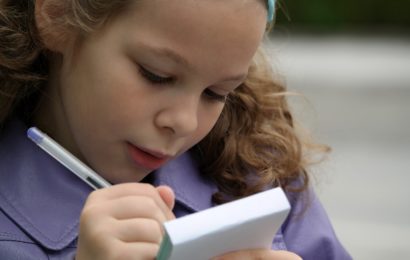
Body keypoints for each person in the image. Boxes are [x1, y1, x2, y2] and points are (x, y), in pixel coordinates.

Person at [0, 0, 352, 259]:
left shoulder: (258, 174)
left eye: (217, 94)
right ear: (58, 15)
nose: (184, 122)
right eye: (156, 75)